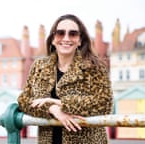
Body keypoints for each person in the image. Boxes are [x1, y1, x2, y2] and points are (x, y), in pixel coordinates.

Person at [17, 14, 113, 144]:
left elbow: (104, 104)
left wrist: (61, 103)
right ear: (52, 39)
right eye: (60, 33)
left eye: (73, 34)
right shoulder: (39, 67)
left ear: (79, 40)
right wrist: (52, 109)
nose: (66, 38)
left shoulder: (94, 67)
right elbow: (24, 101)